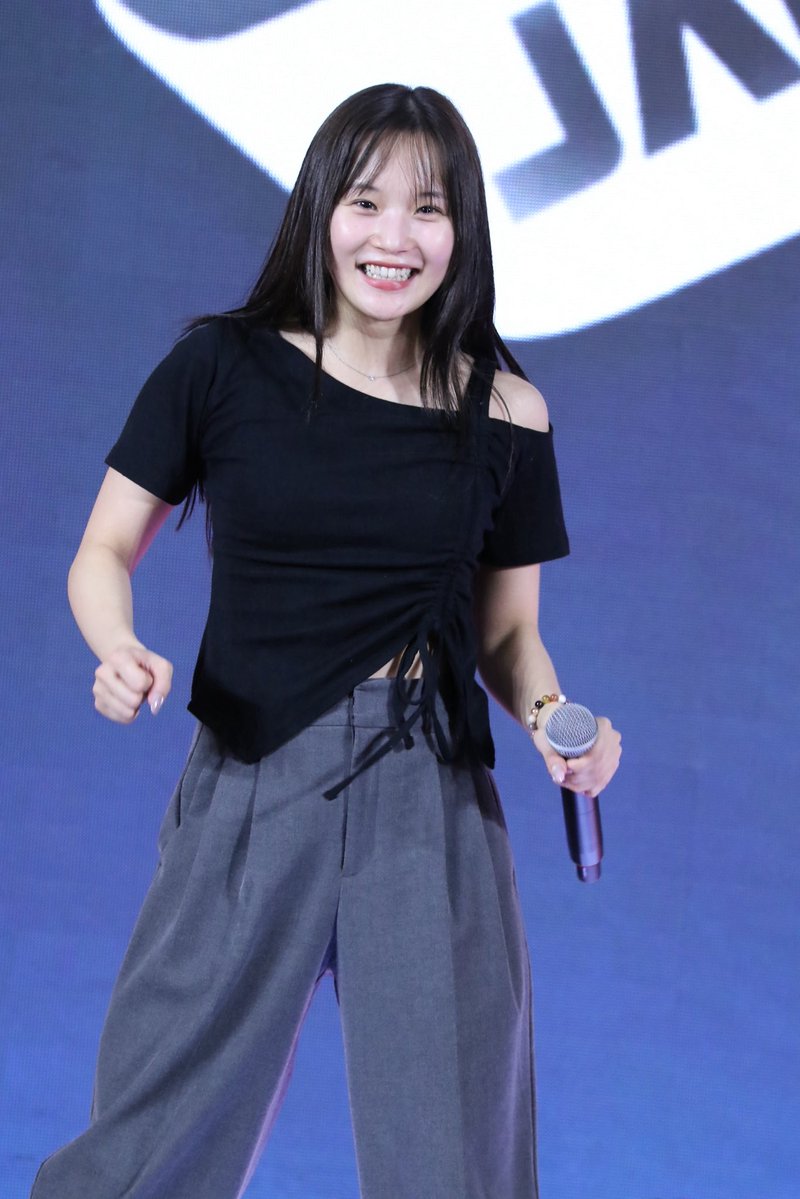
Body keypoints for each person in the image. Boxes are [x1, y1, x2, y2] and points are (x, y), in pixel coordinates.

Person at [31, 83, 621, 1199]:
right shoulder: (222, 367)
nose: (394, 237)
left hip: (430, 787)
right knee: (154, 1133)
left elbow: (508, 632)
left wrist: (557, 722)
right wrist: (117, 643)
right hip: (255, 767)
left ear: (463, 227)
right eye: (366, 202)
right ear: (320, 209)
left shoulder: (508, 411)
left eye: (428, 208)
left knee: (456, 1156)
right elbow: (103, 547)